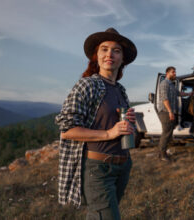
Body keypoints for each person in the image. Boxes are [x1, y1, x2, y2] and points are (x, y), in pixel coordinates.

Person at [55, 27, 137, 219]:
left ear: (122, 59)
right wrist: (109, 133)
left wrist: (126, 123)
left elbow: (110, 123)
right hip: (98, 169)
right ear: (96, 56)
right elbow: (67, 130)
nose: (110, 54)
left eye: (116, 50)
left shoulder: (120, 90)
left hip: (122, 166)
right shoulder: (87, 85)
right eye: (104, 49)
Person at [157, 66, 193, 162]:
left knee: (169, 133)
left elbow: (179, 93)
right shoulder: (164, 84)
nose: (175, 74)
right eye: (173, 72)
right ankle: (162, 155)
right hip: (165, 112)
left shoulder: (171, 85)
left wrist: (189, 94)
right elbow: (165, 99)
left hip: (169, 112)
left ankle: (163, 152)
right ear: (167, 73)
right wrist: (170, 111)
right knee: (166, 133)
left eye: (175, 72)